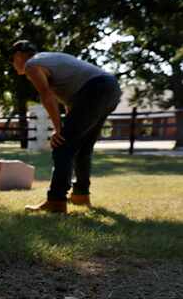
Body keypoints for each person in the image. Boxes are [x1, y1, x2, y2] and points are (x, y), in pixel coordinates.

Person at [11, 40, 121, 213]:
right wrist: (65, 126)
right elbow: (71, 102)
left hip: (95, 90)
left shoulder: (32, 65)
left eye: (13, 59)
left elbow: (47, 97)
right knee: (83, 147)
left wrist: (59, 129)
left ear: (19, 55)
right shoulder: (50, 59)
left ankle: (56, 201)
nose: (13, 64)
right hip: (110, 88)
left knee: (62, 145)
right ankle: (80, 195)